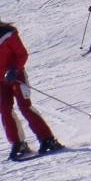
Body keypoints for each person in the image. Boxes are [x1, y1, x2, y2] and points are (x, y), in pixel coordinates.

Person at [0, 19, 64, 160]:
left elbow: (22, 54)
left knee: (25, 106)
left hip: (16, 76)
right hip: (1, 82)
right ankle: (18, 143)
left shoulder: (7, 34)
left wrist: (14, 69)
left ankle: (47, 139)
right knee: (5, 110)